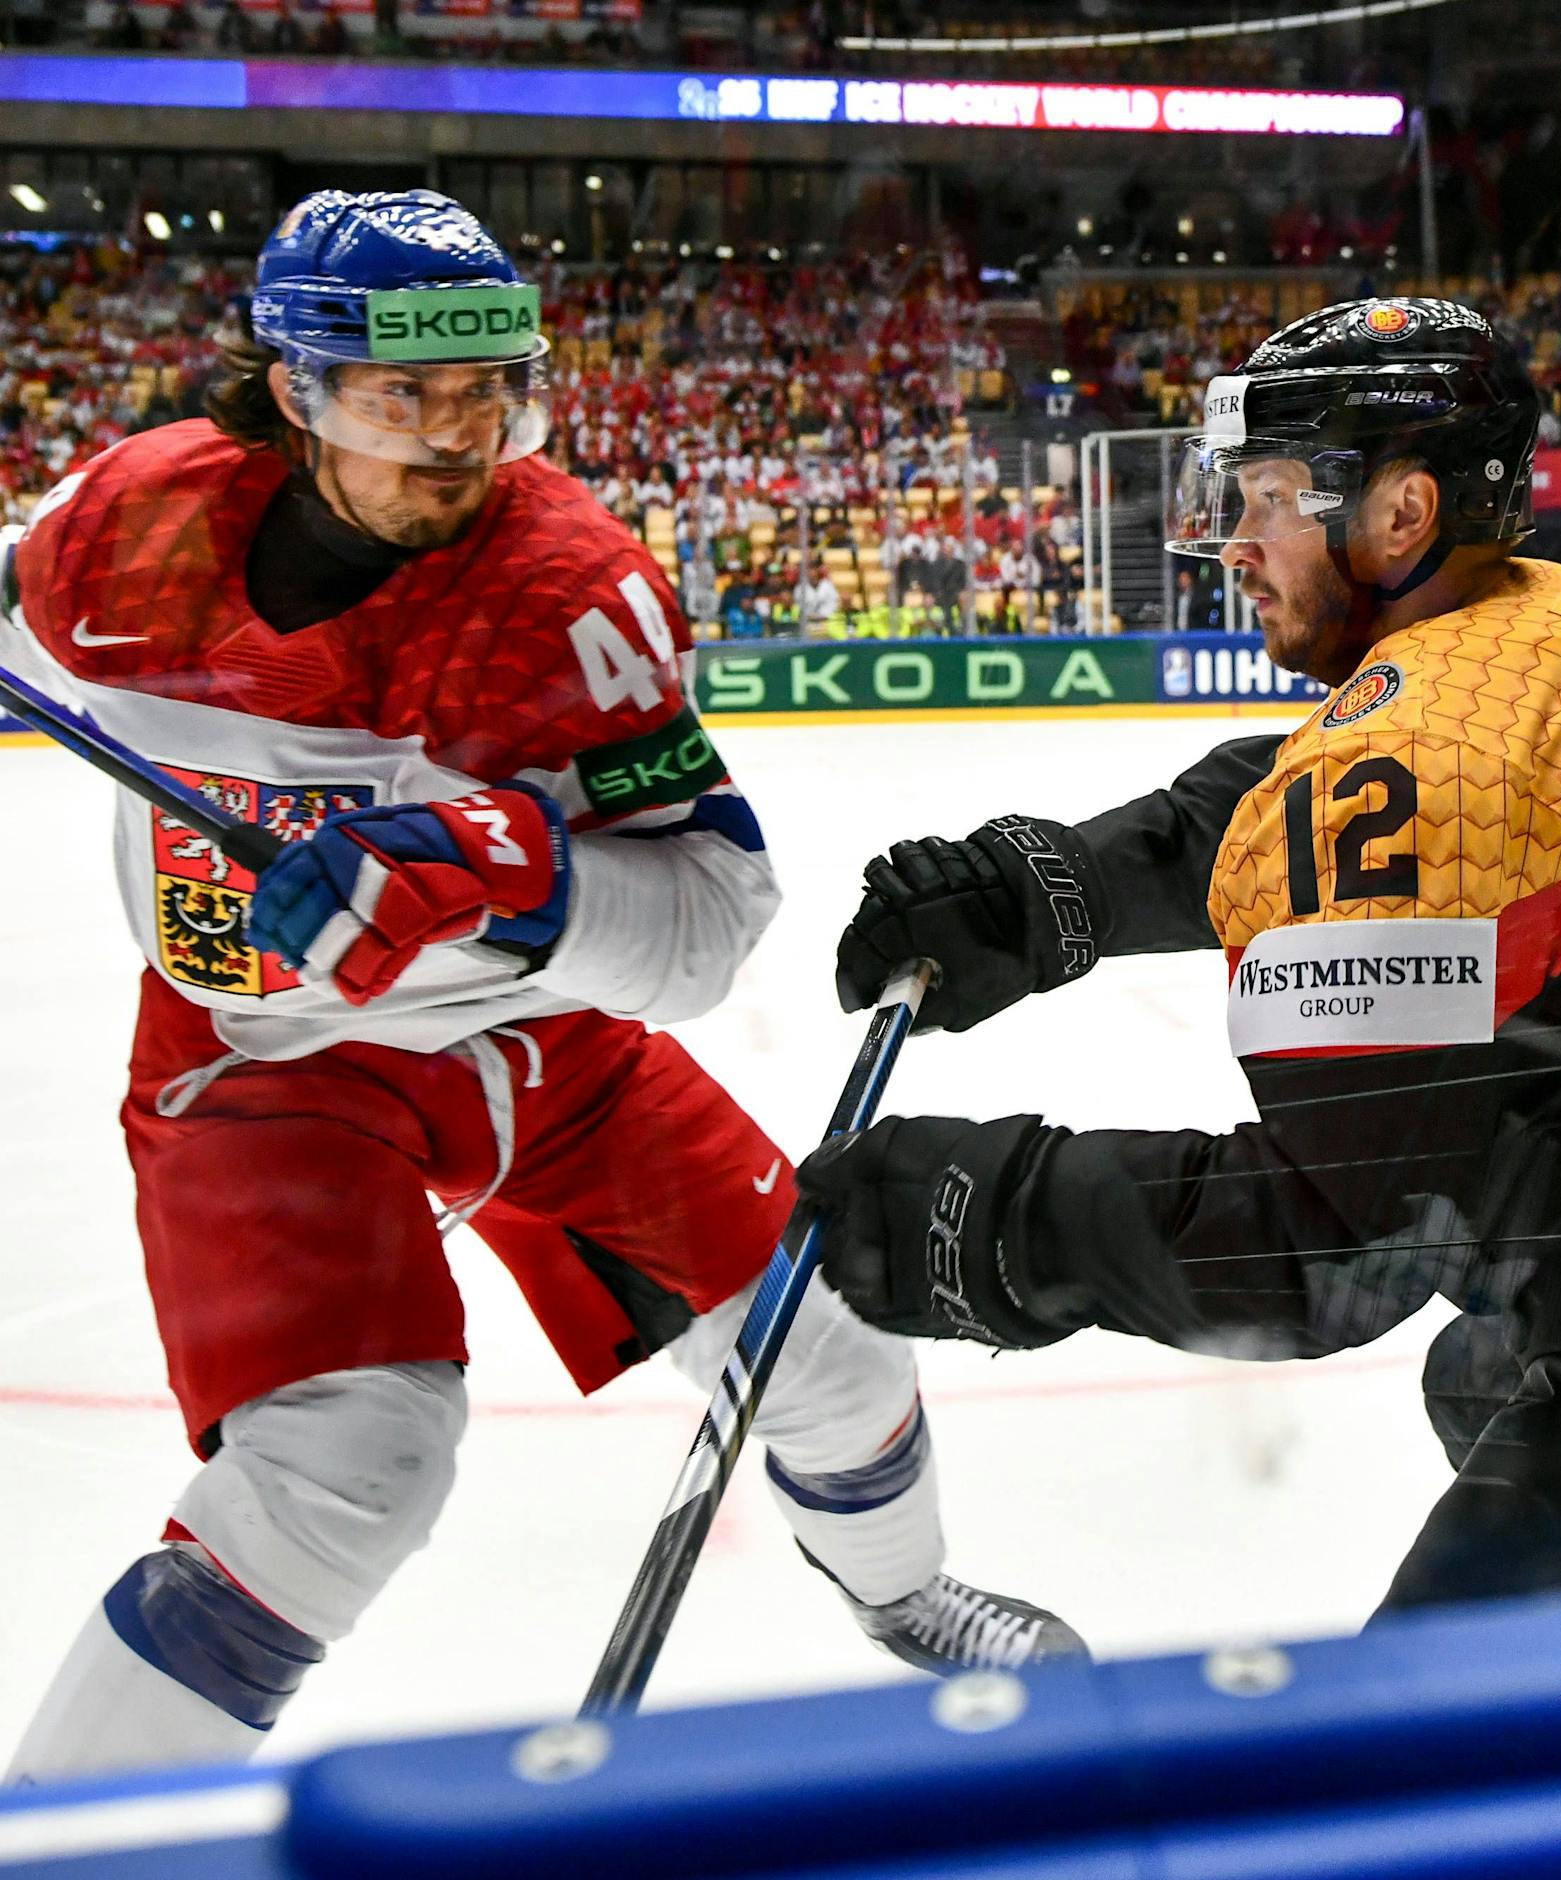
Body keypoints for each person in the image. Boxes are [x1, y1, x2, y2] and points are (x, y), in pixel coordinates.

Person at [0, 190, 1080, 1784]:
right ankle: (71, 1832)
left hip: (543, 1043)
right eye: (403, 395)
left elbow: (714, 916)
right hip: (262, 1059)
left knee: (832, 1341)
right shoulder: (124, 524)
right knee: (341, 1469)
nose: (458, 438)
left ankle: (905, 1595)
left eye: (491, 390)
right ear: (293, 389)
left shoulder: (571, 591)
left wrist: (518, 869)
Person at [802, 296, 1561, 1613]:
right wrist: (1055, 889)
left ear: (1401, 516)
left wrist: (981, 1217)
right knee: (1487, 1361)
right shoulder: (1544, 619)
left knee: (1433, 1782)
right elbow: (1292, 799)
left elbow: (1329, 1249)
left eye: (1267, 499)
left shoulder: (1431, 744)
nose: (1234, 544)